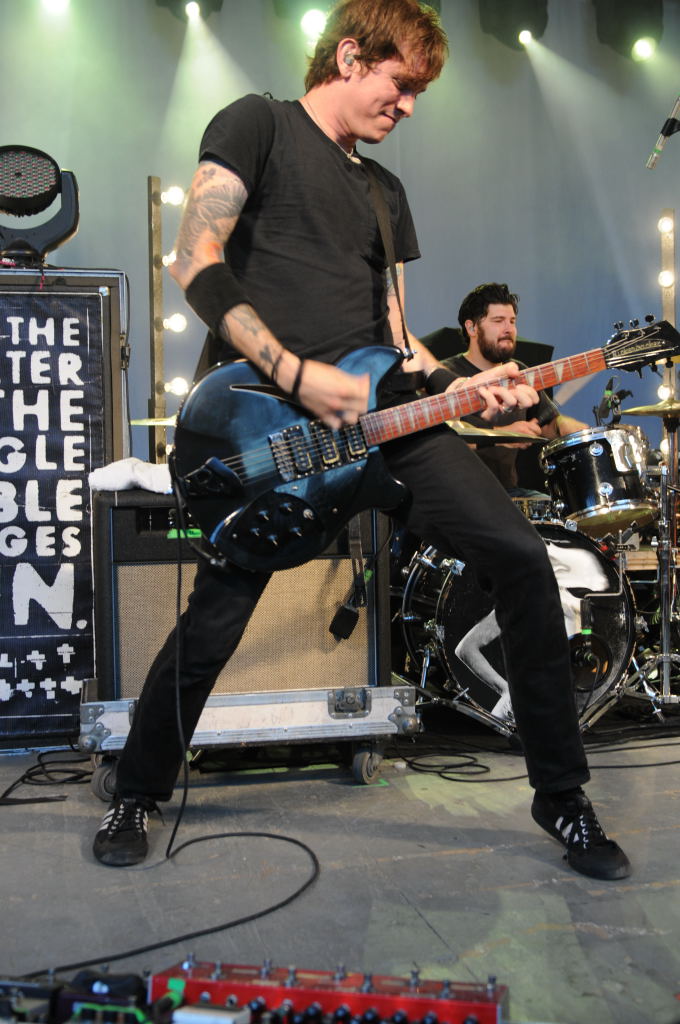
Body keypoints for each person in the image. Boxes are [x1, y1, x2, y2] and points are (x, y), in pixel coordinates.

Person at [92, 0, 630, 881]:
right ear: (349, 56)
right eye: (401, 84)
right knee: (217, 617)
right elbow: (194, 258)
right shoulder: (258, 124)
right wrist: (295, 373)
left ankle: (562, 797)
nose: (409, 107)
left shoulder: (385, 193)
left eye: (418, 94)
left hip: (382, 427)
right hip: (268, 425)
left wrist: (466, 389)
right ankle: (139, 788)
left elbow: (397, 336)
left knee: (522, 559)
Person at [442, 282, 587, 495]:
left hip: (508, 492)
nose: (508, 329)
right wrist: (503, 434)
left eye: (512, 321)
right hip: (458, 494)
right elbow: (441, 442)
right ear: (472, 328)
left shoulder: (518, 372)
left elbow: (546, 424)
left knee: (556, 510)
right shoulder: (446, 376)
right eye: (498, 321)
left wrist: (563, 425)